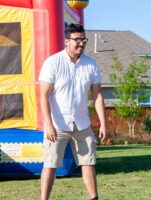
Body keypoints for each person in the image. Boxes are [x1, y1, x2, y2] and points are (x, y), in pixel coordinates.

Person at [39, 23, 106, 200]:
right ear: (66, 41)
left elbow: (97, 96)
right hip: (57, 124)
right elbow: (43, 96)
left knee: (88, 162)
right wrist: (49, 125)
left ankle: (94, 198)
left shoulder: (91, 65)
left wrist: (103, 123)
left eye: (84, 40)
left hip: (82, 123)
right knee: (50, 164)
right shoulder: (52, 63)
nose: (81, 43)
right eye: (77, 40)